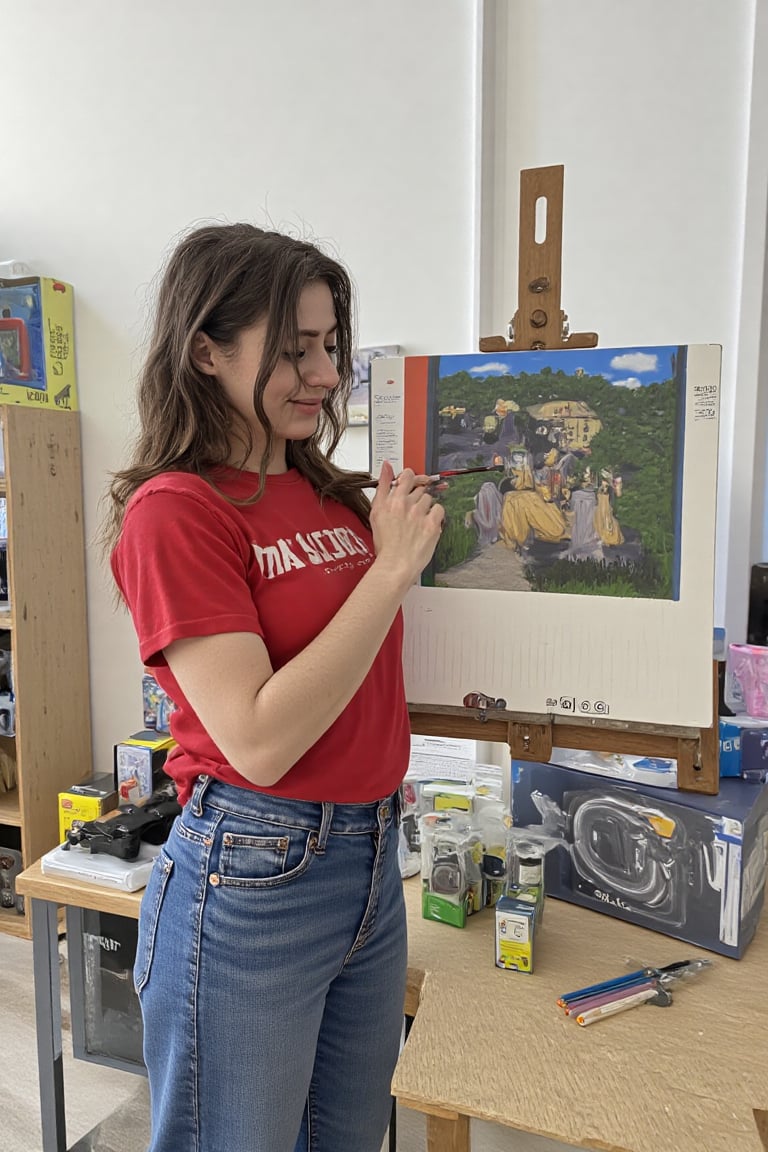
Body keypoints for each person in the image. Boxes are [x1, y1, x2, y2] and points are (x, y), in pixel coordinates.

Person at [104, 222, 445, 1152]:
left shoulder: (329, 494)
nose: (328, 372)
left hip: (373, 858)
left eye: (331, 345)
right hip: (258, 871)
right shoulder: (176, 512)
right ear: (206, 351)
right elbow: (255, 737)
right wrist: (388, 574)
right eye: (295, 350)